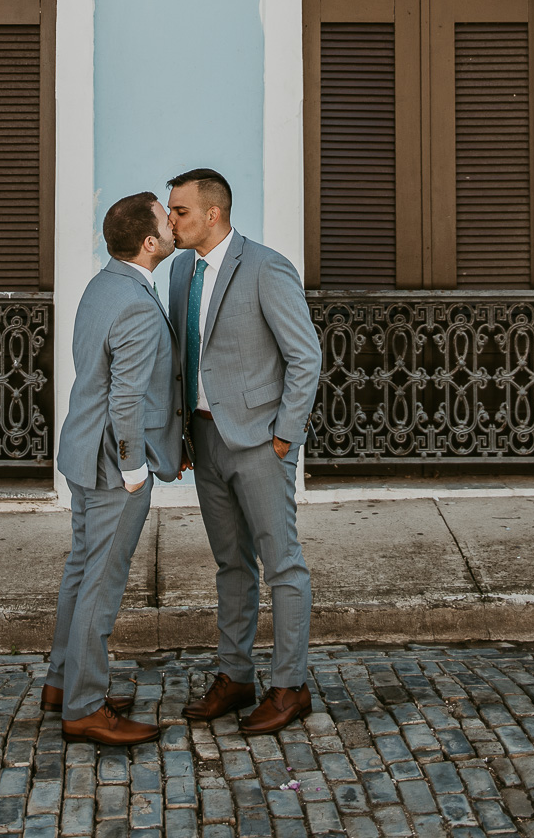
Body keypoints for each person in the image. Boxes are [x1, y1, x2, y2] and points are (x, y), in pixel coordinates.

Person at [167, 166, 322, 735]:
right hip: (205, 439)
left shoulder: (265, 267)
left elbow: (305, 357)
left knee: (282, 564)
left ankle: (290, 686)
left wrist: (286, 434)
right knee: (231, 564)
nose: (171, 221)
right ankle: (236, 676)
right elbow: (184, 356)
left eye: (180, 211)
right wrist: (180, 434)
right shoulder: (181, 269)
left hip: (260, 441)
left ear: (214, 213)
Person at [43, 190, 183, 745]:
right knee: (101, 587)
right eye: (164, 222)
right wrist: (134, 470)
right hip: (111, 466)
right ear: (150, 244)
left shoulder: (103, 285)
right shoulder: (135, 304)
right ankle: (83, 707)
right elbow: (126, 399)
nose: (174, 226)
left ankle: (63, 683)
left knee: (80, 574)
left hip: (81, 450)